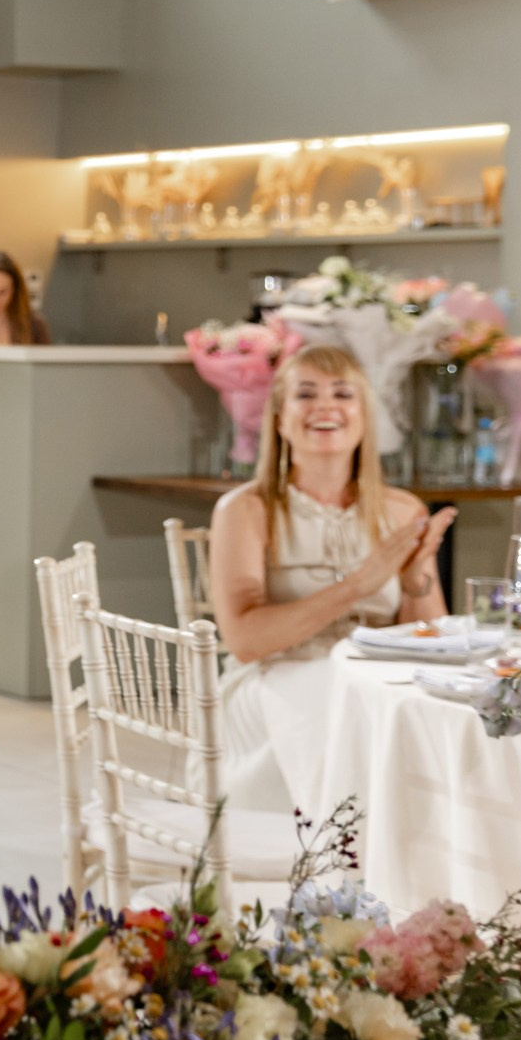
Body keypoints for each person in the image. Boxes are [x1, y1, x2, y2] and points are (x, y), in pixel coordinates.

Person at [209, 345, 453, 811]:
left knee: (457, 715)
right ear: (280, 419)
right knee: (339, 707)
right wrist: (359, 585)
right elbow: (244, 639)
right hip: (274, 680)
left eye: (343, 394)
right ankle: (347, 866)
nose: (325, 406)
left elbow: (431, 638)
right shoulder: (245, 510)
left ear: (364, 417)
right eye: (306, 394)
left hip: (374, 682)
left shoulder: (404, 510)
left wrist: (416, 574)